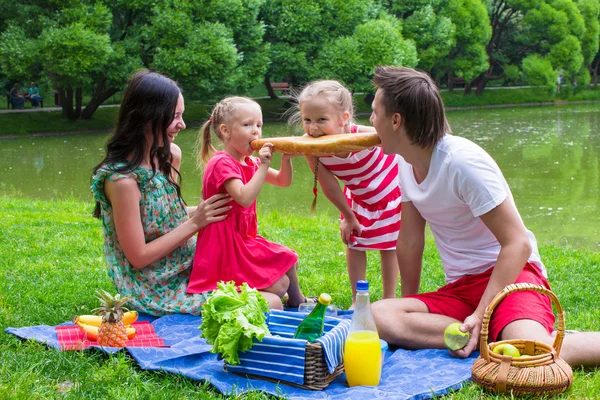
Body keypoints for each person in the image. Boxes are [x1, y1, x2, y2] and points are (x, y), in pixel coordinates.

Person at [369, 65, 600, 368]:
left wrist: (480, 315)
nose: (370, 121)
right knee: (377, 315)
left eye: (374, 113)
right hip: (461, 288)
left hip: (510, 278)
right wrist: (407, 306)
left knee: (534, 354)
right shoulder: (404, 164)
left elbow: (518, 244)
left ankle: (512, 337)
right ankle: (494, 338)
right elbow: (411, 242)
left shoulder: (463, 163)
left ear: (396, 121)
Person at [90, 70, 233, 316]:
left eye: (182, 115)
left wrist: (205, 209)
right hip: (153, 286)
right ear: (147, 117)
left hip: (189, 265)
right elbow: (139, 257)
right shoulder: (122, 180)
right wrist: (197, 222)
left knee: (275, 281)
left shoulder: (170, 155)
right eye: (175, 116)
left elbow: (168, 218)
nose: (183, 124)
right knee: (267, 300)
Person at [187, 96, 312, 310]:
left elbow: (283, 181)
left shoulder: (249, 161)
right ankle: (263, 297)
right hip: (224, 248)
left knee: (289, 259)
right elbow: (244, 198)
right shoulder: (221, 162)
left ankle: (297, 300)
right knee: (280, 283)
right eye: (248, 125)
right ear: (226, 131)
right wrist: (263, 165)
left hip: (243, 240)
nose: (256, 131)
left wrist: (286, 159)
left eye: (259, 125)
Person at [291, 80, 401, 308]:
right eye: (307, 120)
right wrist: (349, 217)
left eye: (322, 120)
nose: (313, 128)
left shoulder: (365, 135)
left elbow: (397, 137)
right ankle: (357, 299)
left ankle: (390, 300)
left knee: (388, 246)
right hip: (359, 196)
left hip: (390, 189)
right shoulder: (312, 149)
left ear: (344, 118)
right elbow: (329, 186)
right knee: (354, 243)